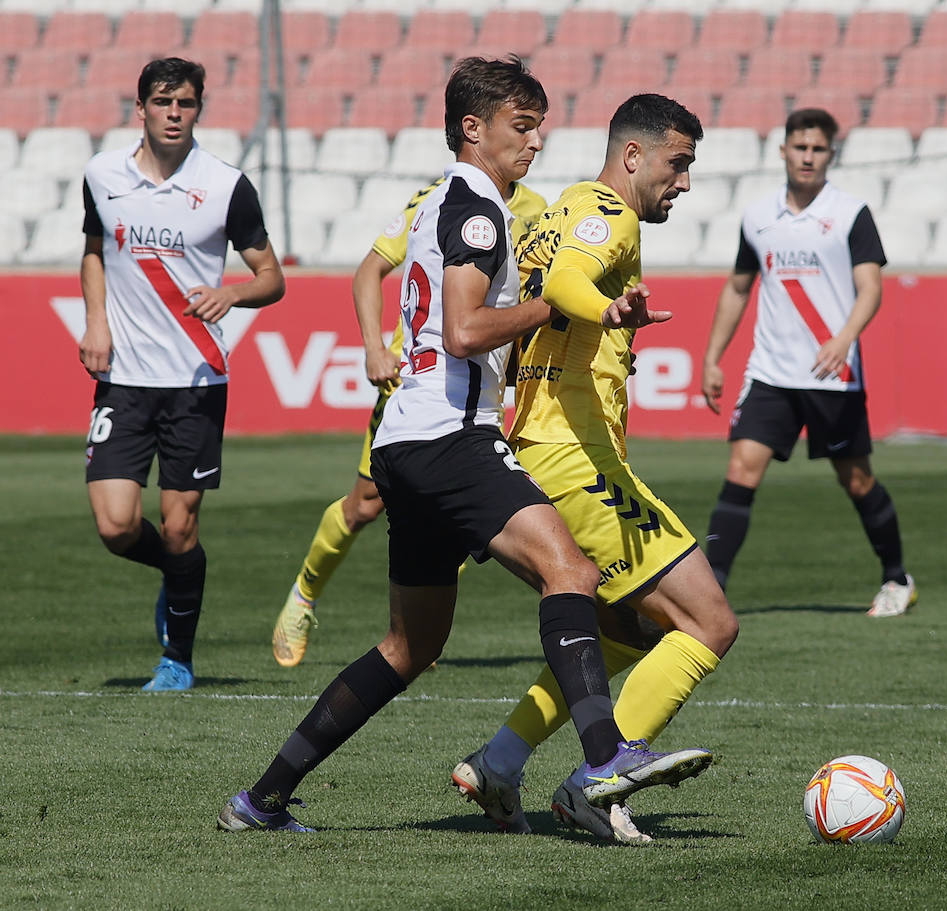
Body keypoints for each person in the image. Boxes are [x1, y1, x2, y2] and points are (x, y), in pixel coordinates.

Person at [218, 57, 711, 834]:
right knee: (570, 569)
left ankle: (262, 798)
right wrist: (555, 306)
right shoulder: (478, 208)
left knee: (407, 647)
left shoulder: (436, 205)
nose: (537, 142)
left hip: (405, 443)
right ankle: (605, 755)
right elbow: (464, 329)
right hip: (452, 435)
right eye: (523, 126)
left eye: (540, 126)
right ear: (473, 129)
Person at [450, 93, 738, 844]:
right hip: (577, 461)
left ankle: (501, 760)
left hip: (540, 448)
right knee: (707, 620)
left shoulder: (560, 206)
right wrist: (604, 311)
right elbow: (570, 280)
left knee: (620, 632)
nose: (684, 182)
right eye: (678, 164)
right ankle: (597, 779)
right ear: (634, 155)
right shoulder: (609, 213)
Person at [270, 177, 547, 667]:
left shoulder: (535, 210)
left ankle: (417, 627)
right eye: (522, 127)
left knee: (468, 504)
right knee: (362, 507)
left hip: (484, 392)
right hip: (418, 383)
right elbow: (369, 271)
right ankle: (304, 594)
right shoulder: (438, 200)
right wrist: (376, 348)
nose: (532, 143)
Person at [79, 57, 285, 691]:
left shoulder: (225, 186)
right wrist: (95, 323)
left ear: (199, 109)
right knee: (115, 526)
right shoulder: (101, 174)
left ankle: (177, 660)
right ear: (139, 108)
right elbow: (93, 250)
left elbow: (272, 278)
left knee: (179, 523)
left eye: (186, 103)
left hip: (196, 382)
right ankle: (179, 571)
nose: (174, 113)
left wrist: (234, 294)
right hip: (125, 379)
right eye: (163, 102)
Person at [700, 108, 915, 618]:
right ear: (783, 151)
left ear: (830, 155)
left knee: (857, 479)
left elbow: (871, 287)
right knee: (741, 469)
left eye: (818, 149)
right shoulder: (757, 216)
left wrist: (845, 338)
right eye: (800, 147)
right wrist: (712, 358)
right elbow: (737, 288)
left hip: (831, 375)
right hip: (771, 372)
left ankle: (896, 579)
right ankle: (709, 593)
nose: (807, 157)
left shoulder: (850, 213)